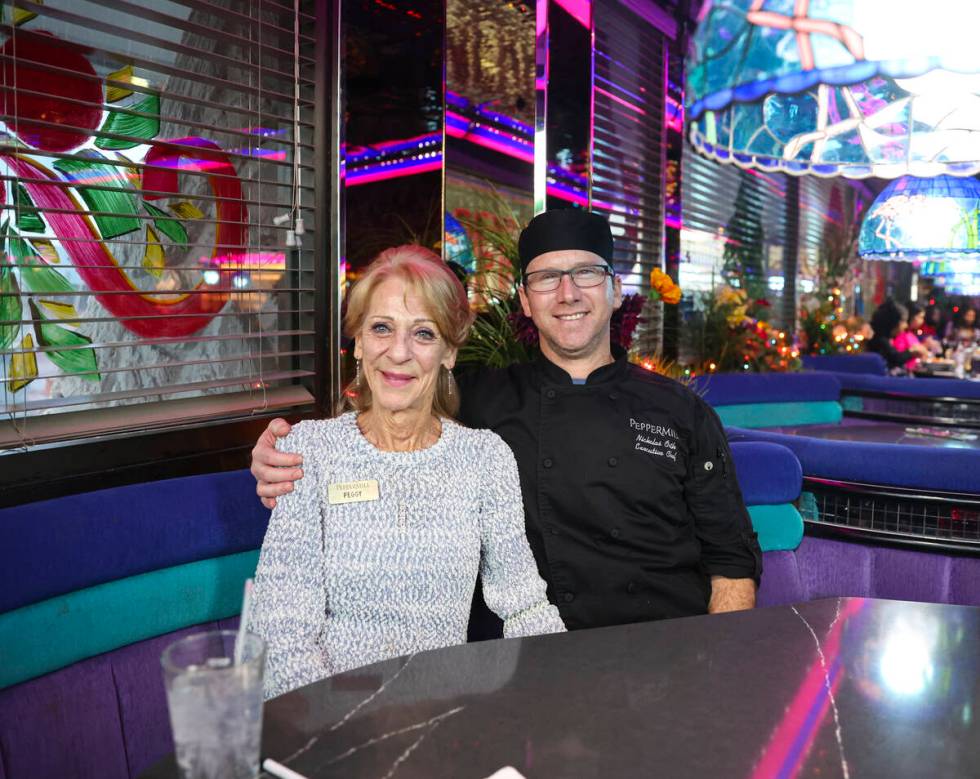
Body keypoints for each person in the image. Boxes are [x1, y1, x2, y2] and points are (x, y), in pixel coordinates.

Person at [251, 209, 762, 634]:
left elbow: (731, 562)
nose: (568, 293)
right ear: (524, 298)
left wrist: (709, 667)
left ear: (614, 289)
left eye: (586, 273)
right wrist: (279, 456)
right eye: (546, 278)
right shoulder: (481, 401)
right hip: (535, 667)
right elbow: (388, 409)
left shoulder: (681, 410)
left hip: (666, 652)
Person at [247, 245, 565, 699]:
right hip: (325, 724)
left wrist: (569, 690)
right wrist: (341, 728)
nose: (398, 352)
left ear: (449, 352)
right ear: (357, 341)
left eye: (423, 333)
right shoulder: (310, 450)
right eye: (381, 328)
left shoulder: (486, 458)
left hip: (439, 718)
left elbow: (524, 606)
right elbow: (281, 631)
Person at [868, 299, 929, 373]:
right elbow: (895, 358)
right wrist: (911, 350)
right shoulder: (879, 339)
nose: (905, 325)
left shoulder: (885, 338)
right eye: (903, 321)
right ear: (893, 322)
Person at [893, 303, 940, 370]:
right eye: (920, 317)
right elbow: (899, 357)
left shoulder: (910, 334)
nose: (922, 321)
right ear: (912, 316)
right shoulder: (900, 335)